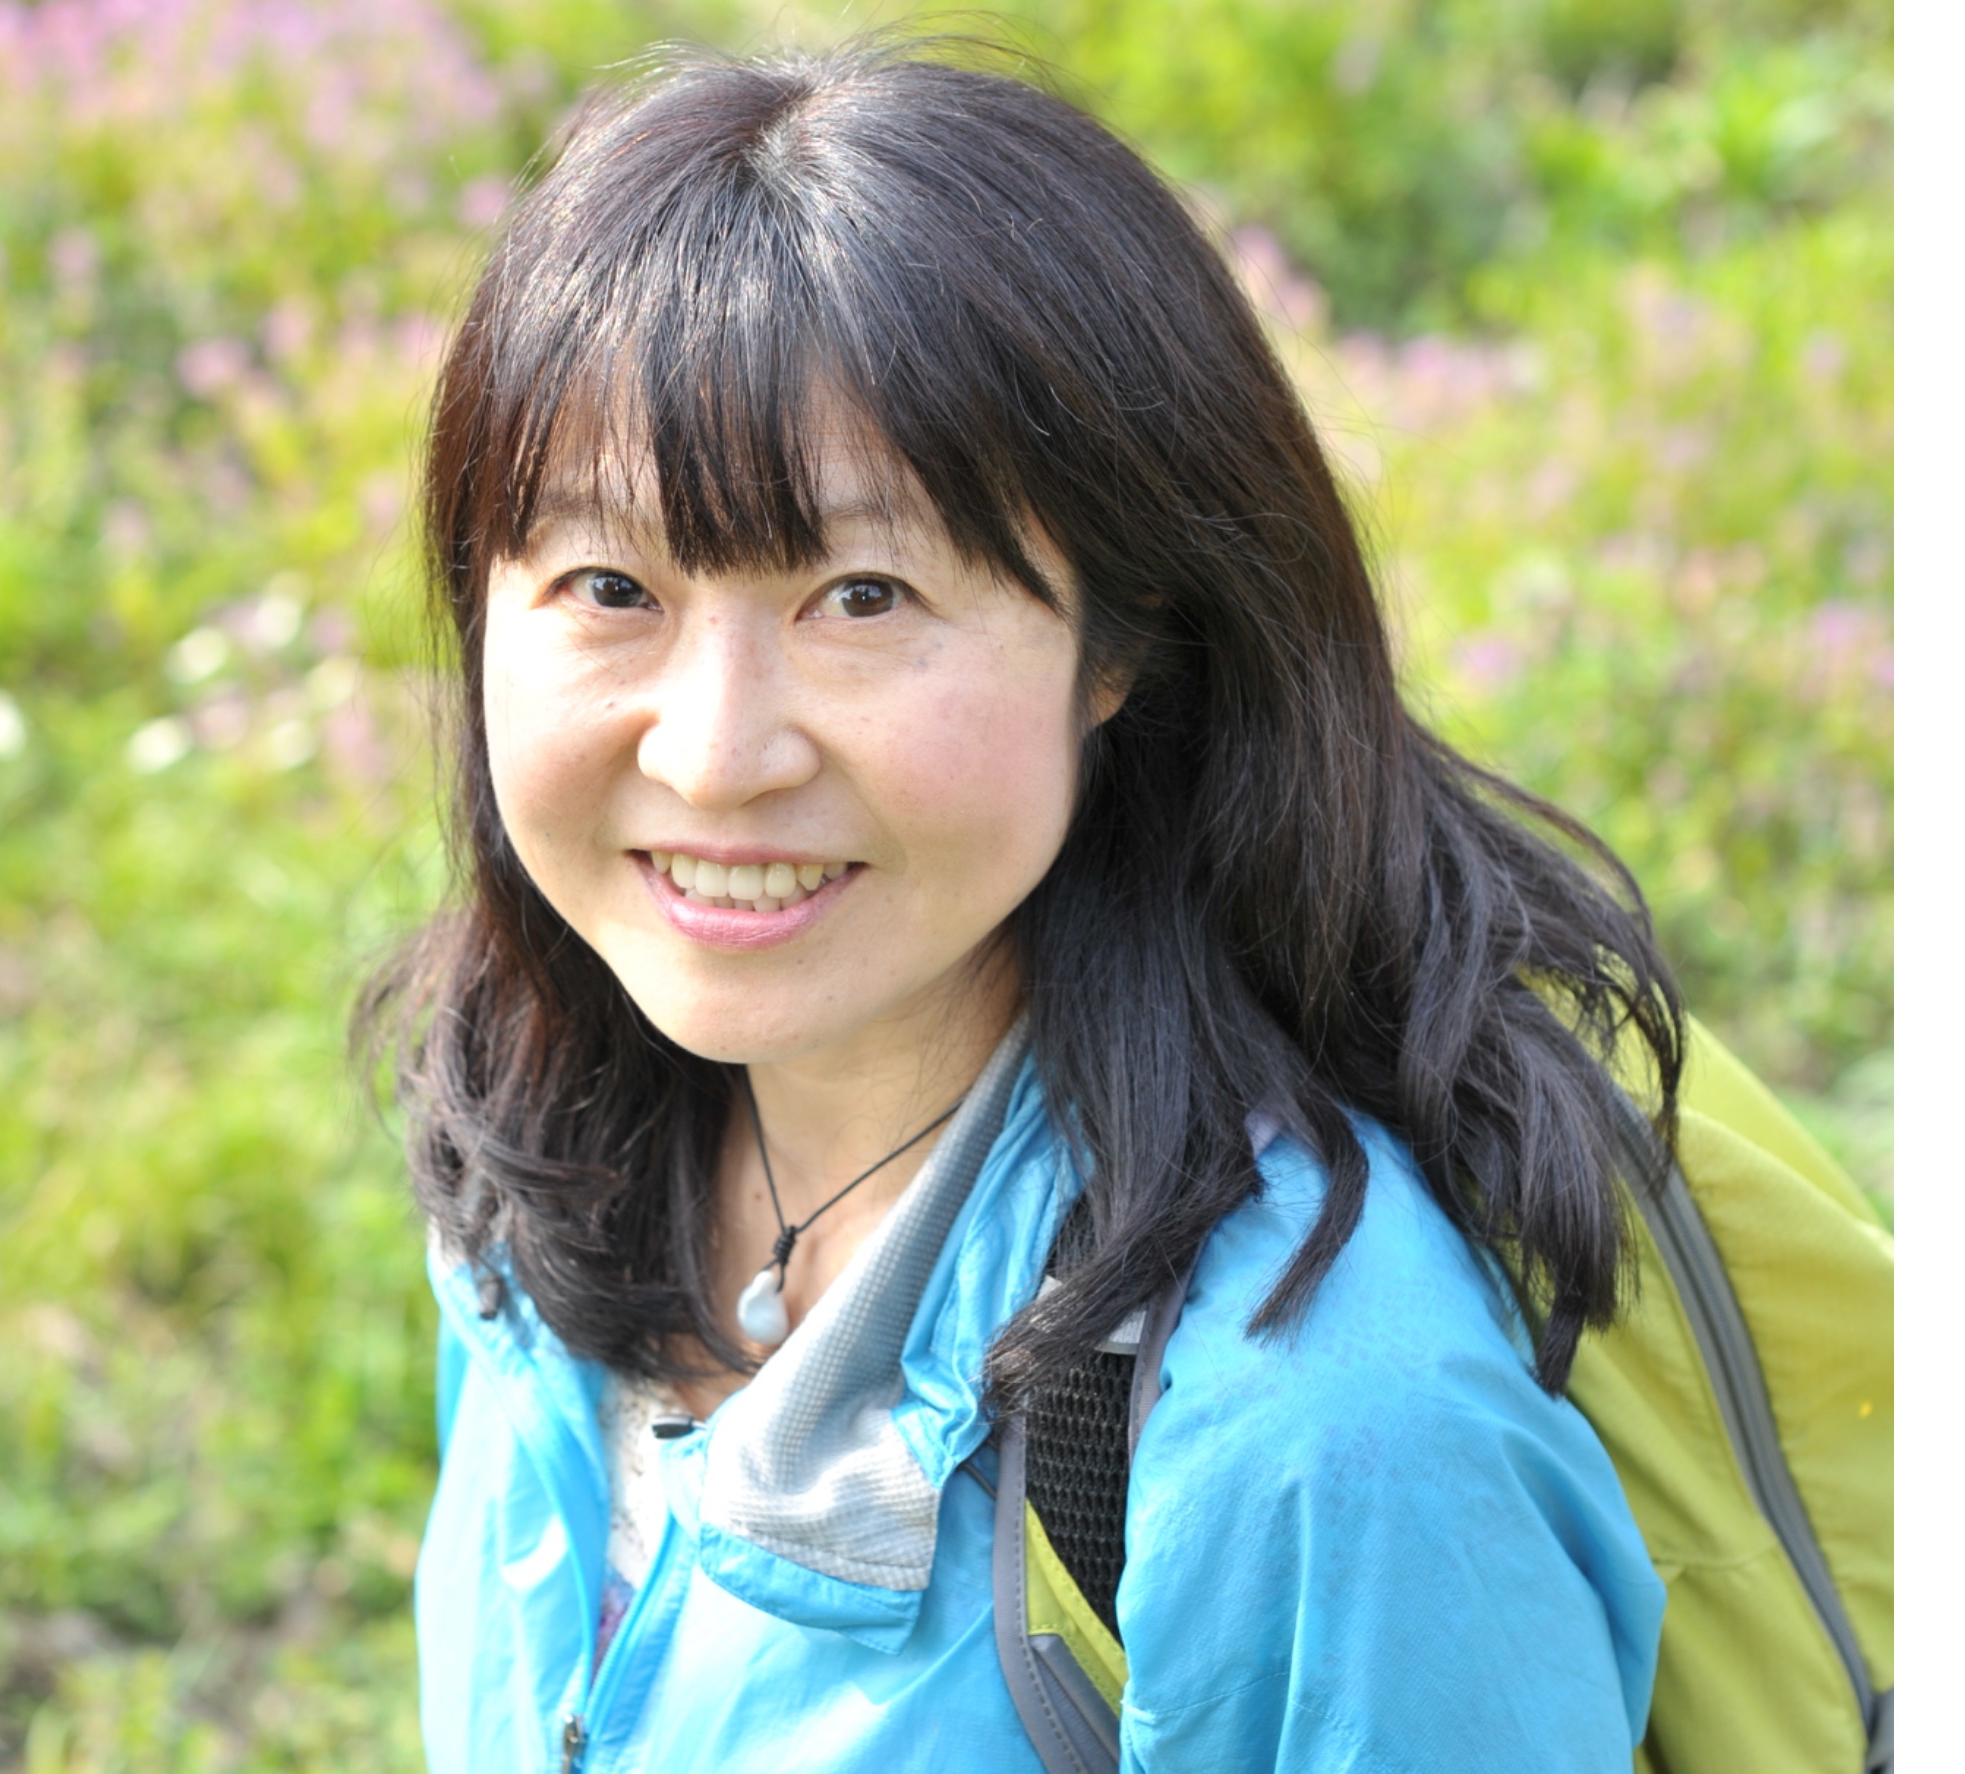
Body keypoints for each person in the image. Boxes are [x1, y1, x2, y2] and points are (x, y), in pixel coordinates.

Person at [363, 40, 1685, 1772]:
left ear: (1122, 644)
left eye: (862, 595)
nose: (714, 754)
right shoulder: (543, 1170)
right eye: (612, 583)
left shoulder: (1314, 1434)